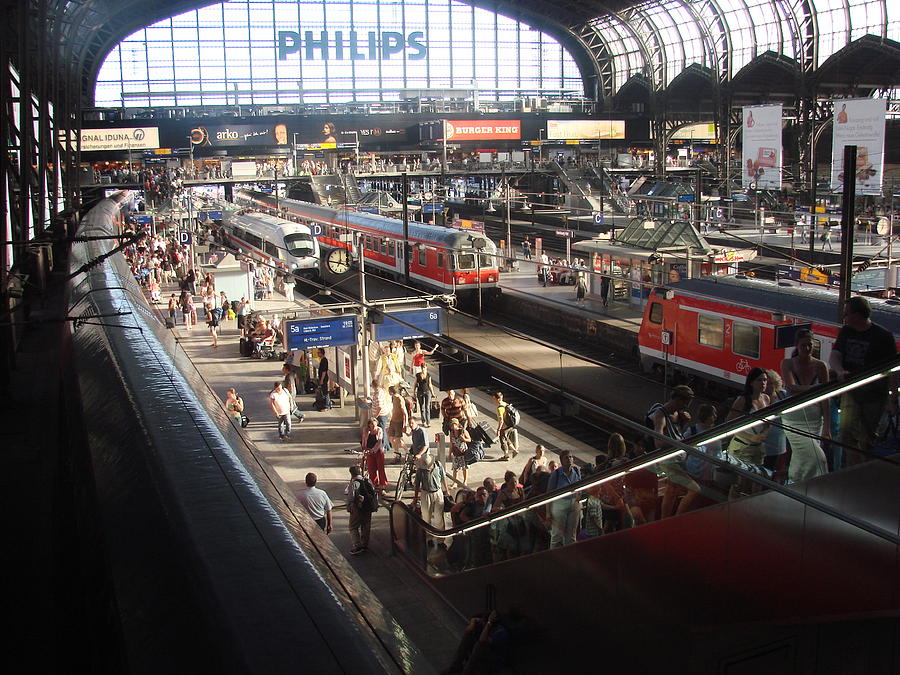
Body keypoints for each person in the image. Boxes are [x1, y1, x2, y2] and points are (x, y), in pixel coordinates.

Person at [828, 296, 898, 464]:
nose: (844, 318)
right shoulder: (846, 331)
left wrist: (892, 398)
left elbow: (893, 370)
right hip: (852, 391)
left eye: (846, 314)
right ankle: (856, 469)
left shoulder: (883, 336)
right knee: (846, 433)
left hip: (874, 395)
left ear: (858, 315)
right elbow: (835, 355)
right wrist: (839, 371)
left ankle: (862, 470)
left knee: (866, 437)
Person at [780, 330, 830, 481]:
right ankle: (822, 483)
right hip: (793, 420)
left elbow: (825, 398)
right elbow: (791, 387)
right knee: (818, 457)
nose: (807, 349)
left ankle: (796, 481)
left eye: (810, 345)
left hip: (815, 421)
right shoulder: (787, 363)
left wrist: (827, 426)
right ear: (797, 345)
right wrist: (817, 388)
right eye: (803, 345)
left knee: (802, 457)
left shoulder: (821, 366)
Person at [646, 384, 700, 517]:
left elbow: (675, 433)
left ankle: (665, 520)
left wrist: (684, 423)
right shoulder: (660, 415)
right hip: (669, 461)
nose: (686, 407)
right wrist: (681, 444)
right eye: (685, 403)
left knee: (672, 490)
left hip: (677, 458)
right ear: (677, 400)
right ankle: (677, 518)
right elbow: (658, 441)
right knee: (694, 489)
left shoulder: (678, 414)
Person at [725, 368, 770, 466]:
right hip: (742, 446)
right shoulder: (742, 400)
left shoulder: (766, 399)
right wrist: (750, 437)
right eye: (759, 380)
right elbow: (729, 424)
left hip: (758, 448)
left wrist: (764, 434)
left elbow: (768, 423)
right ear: (751, 382)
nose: (763, 383)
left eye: (765, 380)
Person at [412, 449, 449, 546]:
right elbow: (417, 484)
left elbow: (443, 477)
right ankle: (429, 538)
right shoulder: (420, 470)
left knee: (439, 516)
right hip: (426, 493)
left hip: (438, 492)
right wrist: (416, 498)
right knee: (426, 516)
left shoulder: (438, 465)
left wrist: (447, 490)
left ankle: (441, 539)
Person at [547, 450, 581, 548]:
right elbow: (549, 493)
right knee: (557, 534)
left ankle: (570, 555)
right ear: (561, 460)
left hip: (574, 503)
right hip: (559, 504)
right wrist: (548, 512)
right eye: (566, 458)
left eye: (571, 457)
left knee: (571, 535)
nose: (569, 459)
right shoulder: (556, 474)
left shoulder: (576, 471)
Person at [346, 465, 373, 554]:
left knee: (353, 527)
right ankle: (365, 544)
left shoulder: (353, 484)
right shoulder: (367, 481)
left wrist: (350, 508)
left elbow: (351, 498)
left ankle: (357, 546)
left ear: (351, 474)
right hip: (368, 507)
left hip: (357, 508)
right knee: (366, 525)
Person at [361, 418, 388, 491]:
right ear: (369, 424)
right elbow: (364, 439)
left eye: (375, 424)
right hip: (369, 450)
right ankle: (374, 483)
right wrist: (364, 448)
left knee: (380, 468)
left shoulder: (379, 430)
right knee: (371, 468)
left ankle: (382, 484)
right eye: (372, 424)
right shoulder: (366, 430)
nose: (373, 426)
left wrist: (373, 450)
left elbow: (379, 441)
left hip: (378, 451)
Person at [492, 391, 518, 461]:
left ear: (497, 399)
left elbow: (501, 420)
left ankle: (506, 456)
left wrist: (498, 429)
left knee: (503, 441)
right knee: (506, 439)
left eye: (494, 398)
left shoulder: (499, 408)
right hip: (510, 424)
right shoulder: (505, 404)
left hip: (504, 426)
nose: (493, 399)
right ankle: (514, 450)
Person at [448, 419, 472, 487]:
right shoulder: (452, 433)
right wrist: (450, 453)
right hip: (456, 452)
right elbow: (451, 443)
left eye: (454, 424)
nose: (453, 426)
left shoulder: (463, 431)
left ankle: (465, 481)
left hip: (463, 452)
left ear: (457, 424)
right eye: (452, 425)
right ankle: (455, 482)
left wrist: (464, 439)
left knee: (464, 467)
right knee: (455, 468)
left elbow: (469, 440)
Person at [388, 385, 408, 462]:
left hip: (399, 422)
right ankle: (397, 454)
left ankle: (407, 452)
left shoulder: (400, 399)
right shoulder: (393, 398)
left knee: (398, 440)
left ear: (391, 391)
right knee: (391, 438)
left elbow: (405, 413)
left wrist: (405, 425)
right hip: (393, 420)